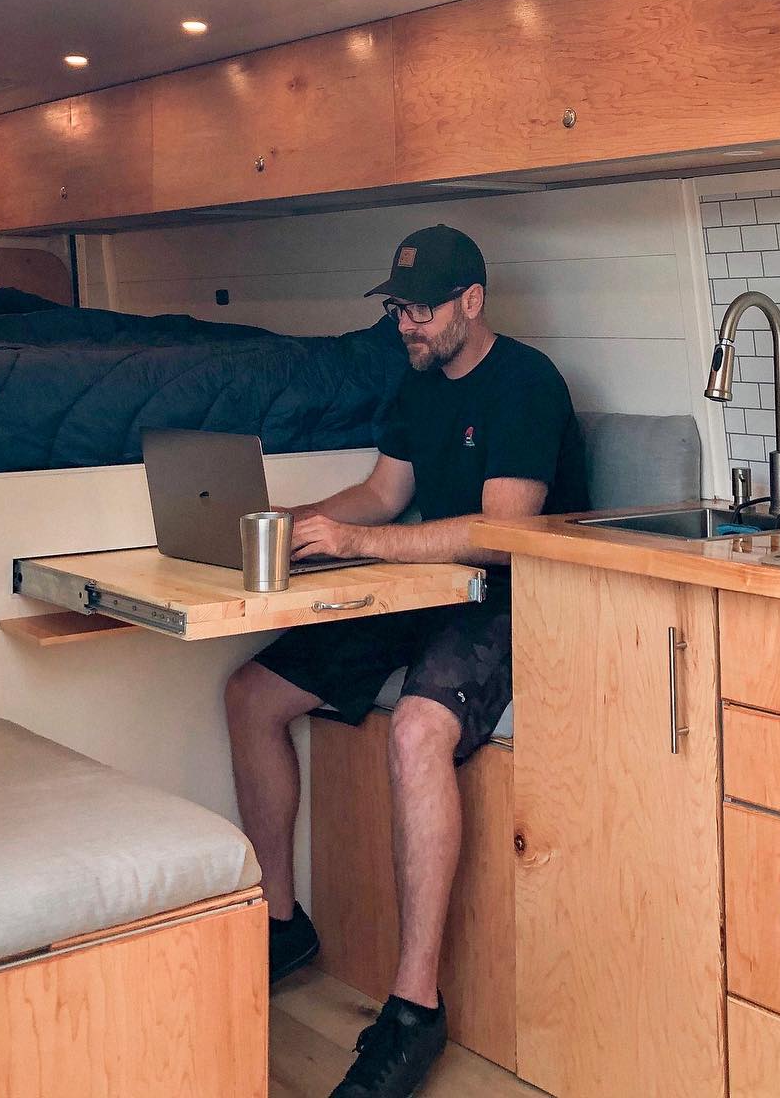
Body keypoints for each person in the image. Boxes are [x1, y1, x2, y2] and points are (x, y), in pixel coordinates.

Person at [223, 223, 586, 1097]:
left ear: (473, 302)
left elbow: (502, 536)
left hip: (510, 600)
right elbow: (385, 493)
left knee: (418, 728)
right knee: (250, 694)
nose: (406, 326)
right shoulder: (413, 381)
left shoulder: (527, 384)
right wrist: (299, 522)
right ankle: (282, 921)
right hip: (420, 591)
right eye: (396, 309)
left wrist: (359, 540)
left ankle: (414, 1008)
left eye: (420, 310)